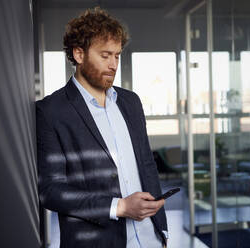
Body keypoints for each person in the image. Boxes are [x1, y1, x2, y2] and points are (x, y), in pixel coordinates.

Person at [36, 7, 168, 248]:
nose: (113, 64)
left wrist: (163, 232)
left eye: (117, 55)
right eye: (105, 55)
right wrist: (119, 207)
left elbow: (147, 165)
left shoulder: (131, 102)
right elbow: (50, 190)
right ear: (79, 54)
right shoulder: (50, 111)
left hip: (151, 239)